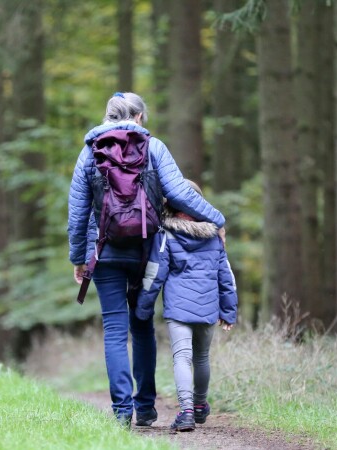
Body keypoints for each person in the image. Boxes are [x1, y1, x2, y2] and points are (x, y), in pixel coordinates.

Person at [67, 92, 226, 427]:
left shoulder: (88, 152)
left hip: (105, 251)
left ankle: (122, 412)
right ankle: (146, 407)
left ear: (107, 116)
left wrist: (79, 257)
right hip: (147, 251)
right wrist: (217, 219)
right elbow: (181, 193)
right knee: (142, 325)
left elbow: (78, 213)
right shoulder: (154, 147)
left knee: (113, 328)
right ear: (139, 117)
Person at [136, 180, 237, 432]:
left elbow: (154, 273)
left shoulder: (166, 234)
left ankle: (187, 411)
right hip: (208, 306)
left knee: (182, 357)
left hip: (179, 309)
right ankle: (201, 405)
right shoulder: (214, 236)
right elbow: (226, 276)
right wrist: (228, 310)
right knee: (202, 357)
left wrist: (143, 307)